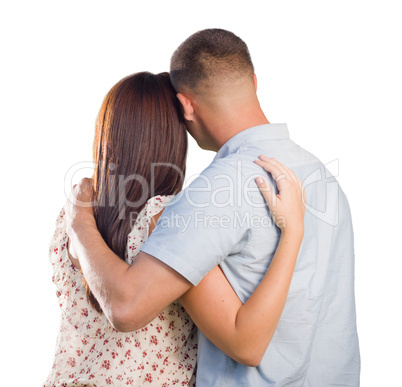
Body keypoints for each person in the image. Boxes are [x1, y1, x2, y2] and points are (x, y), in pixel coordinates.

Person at [66, 29, 360, 386]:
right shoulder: (322, 178)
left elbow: (126, 308)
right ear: (253, 81)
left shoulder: (214, 191)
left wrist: (79, 221)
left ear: (186, 106)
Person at [46, 71, 306, 386]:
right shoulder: (168, 220)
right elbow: (246, 343)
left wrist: (78, 219)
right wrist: (293, 232)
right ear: (173, 138)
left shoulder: (74, 211)